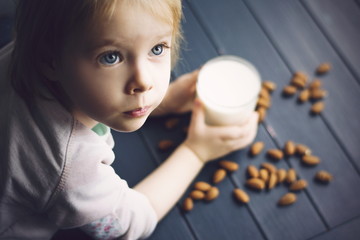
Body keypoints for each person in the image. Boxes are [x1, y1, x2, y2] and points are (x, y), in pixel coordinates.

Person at [0, 0, 259, 239]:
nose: (144, 81)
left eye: (157, 48)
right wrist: (196, 151)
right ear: (51, 61)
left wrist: (163, 102)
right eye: (110, 57)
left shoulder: (24, 54)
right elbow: (131, 225)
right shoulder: (70, 171)